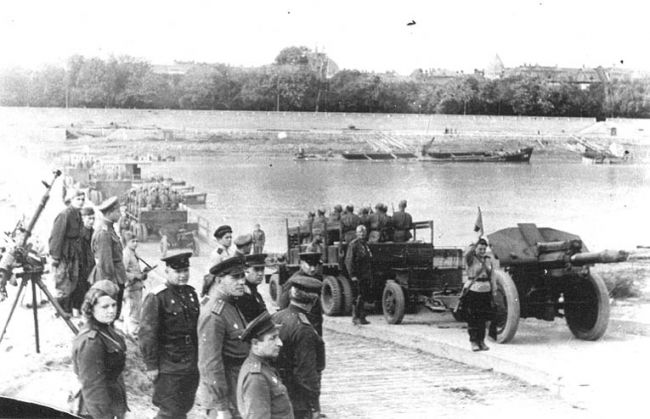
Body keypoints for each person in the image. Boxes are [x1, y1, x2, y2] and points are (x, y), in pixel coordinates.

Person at [139, 252, 200, 419]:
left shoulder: (191, 294)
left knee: (184, 407)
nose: (182, 275)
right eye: (177, 271)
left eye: (185, 270)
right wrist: (151, 365)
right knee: (169, 411)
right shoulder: (157, 297)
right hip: (169, 364)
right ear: (167, 271)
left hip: (190, 362)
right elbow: (147, 334)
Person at [197, 256, 250, 419]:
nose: (242, 282)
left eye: (243, 276)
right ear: (219, 280)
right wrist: (221, 407)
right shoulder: (214, 314)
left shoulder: (231, 305)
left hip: (236, 390)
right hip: (223, 398)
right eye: (235, 277)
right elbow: (209, 364)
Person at [272, 276, 325, 419]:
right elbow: (306, 372)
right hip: (298, 399)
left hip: (278, 390)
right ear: (314, 301)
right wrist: (314, 406)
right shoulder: (304, 328)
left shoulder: (277, 317)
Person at [72, 282, 128, 419]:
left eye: (114, 305)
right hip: (97, 410)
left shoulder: (106, 329)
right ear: (91, 308)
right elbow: (93, 387)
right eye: (105, 306)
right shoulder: (92, 341)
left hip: (111, 400)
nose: (111, 310)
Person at [237, 311, 292, 419]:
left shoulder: (265, 366)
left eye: (278, 337)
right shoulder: (256, 377)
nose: (279, 343)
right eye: (273, 338)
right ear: (255, 343)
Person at [49, 188, 85, 317]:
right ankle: (58, 310)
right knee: (62, 280)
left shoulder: (78, 214)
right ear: (71, 200)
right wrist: (55, 257)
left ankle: (67, 309)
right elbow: (56, 236)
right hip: (64, 254)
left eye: (82, 199)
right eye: (78, 199)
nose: (81, 202)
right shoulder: (65, 215)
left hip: (73, 253)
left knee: (72, 280)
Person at [90, 196, 128, 320]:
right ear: (110, 212)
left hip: (115, 277)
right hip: (110, 279)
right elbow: (106, 264)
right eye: (118, 212)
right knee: (109, 314)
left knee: (112, 315)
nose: (120, 214)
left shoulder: (109, 228)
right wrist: (111, 285)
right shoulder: (104, 233)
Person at [463, 237, 497, 352]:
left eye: (484, 249)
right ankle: (473, 341)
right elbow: (467, 252)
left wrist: (494, 289)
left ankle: (481, 341)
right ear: (475, 248)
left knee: (483, 318)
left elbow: (492, 275)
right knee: (473, 317)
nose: (482, 251)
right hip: (473, 290)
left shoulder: (488, 260)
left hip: (486, 290)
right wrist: (474, 243)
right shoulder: (470, 258)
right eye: (480, 249)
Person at [277, 252, 323, 336]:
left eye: (315, 265)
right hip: (299, 329)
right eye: (309, 265)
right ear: (301, 263)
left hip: (315, 325)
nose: (313, 269)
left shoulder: (317, 278)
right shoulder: (294, 281)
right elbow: (283, 306)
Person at [345, 225, 372, 325]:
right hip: (357, 275)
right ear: (356, 234)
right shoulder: (353, 245)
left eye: (364, 232)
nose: (362, 234)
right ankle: (355, 318)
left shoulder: (365, 244)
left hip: (365, 275)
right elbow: (349, 261)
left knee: (363, 296)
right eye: (360, 232)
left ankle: (362, 317)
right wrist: (352, 275)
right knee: (357, 297)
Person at [71, 206, 95, 315]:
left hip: (91, 266)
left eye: (93, 218)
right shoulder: (79, 234)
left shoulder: (94, 233)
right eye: (89, 218)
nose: (91, 221)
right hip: (80, 267)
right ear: (83, 219)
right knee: (79, 289)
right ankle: (76, 309)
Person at [122, 231, 146, 338]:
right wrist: (136, 277)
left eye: (137, 241)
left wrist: (143, 274)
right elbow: (122, 271)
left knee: (131, 311)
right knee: (134, 312)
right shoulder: (126, 254)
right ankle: (133, 334)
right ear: (126, 242)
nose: (135, 243)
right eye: (133, 241)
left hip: (136, 287)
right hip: (131, 288)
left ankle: (127, 332)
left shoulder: (133, 253)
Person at [236, 253, 268, 322]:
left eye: (262, 269)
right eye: (256, 269)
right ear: (245, 270)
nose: (260, 273)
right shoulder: (242, 294)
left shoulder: (255, 293)